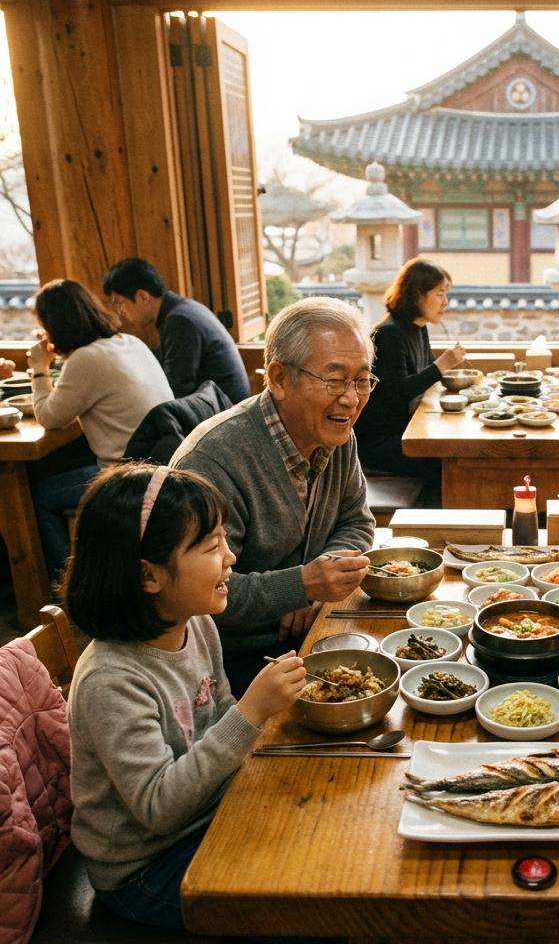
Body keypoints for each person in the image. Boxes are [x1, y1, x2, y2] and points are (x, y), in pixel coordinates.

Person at [64, 462, 339, 944]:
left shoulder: (196, 624)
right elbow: (158, 807)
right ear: (149, 576)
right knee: (308, 910)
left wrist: (262, 721)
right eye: (212, 546)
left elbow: (219, 722)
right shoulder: (111, 680)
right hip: (143, 868)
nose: (230, 558)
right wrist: (252, 712)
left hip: (203, 820)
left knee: (327, 841)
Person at [171, 296, 375, 692]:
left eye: (362, 379)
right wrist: (299, 585)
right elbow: (197, 593)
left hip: (314, 633)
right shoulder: (214, 461)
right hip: (230, 667)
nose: (351, 398)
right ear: (279, 379)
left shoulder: (335, 432)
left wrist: (318, 579)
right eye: (334, 380)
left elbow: (356, 518)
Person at [27, 279, 173, 577]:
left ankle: (70, 590)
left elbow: (49, 416)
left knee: (41, 497)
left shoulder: (85, 359)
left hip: (125, 474)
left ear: (54, 326)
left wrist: (39, 367)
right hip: (158, 460)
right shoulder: (129, 342)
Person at [354, 257, 465, 498]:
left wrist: (451, 372)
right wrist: (442, 365)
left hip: (408, 429)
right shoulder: (388, 334)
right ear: (417, 294)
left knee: (457, 454)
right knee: (449, 464)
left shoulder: (418, 327)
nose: (445, 302)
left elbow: (425, 371)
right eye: (440, 294)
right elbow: (398, 393)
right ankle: (434, 524)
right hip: (382, 442)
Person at [103, 257, 251, 405]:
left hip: (226, 418)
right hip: (223, 409)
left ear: (143, 297)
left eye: (121, 304)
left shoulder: (180, 321)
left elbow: (176, 389)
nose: (120, 312)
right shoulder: (181, 310)